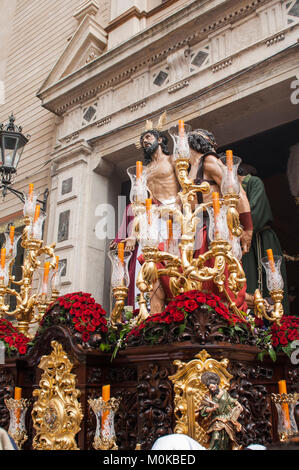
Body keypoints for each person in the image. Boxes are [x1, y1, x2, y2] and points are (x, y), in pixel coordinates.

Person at [111, 126, 180, 313]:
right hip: (153, 216)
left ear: (160, 140)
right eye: (142, 140)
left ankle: (174, 304)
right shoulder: (146, 171)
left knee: (172, 260)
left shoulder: (173, 160)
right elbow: (140, 203)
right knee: (148, 260)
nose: (144, 141)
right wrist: (133, 234)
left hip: (174, 215)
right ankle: (147, 308)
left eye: (148, 137)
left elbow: (184, 188)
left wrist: (179, 210)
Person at [187, 130, 253, 311]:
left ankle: (227, 320)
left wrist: (248, 228)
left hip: (215, 227)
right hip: (196, 227)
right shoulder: (191, 167)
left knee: (220, 280)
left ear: (192, 142)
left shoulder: (209, 162)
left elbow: (238, 193)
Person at [238, 163, 289, 315]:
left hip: (260, 240)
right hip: (242, 245)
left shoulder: (253, 182)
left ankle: (276, 325)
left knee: (269, 285)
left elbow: (256, 215)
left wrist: (234, 228)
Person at [197, 372, 243, 450]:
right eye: (210, 388)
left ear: (217, 385)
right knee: (216, 437)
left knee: (225, 437)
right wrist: (212, 409)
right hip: (216, 419)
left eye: (213, 387)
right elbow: (203, 409)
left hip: (227, 417)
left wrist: (237, 403)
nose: (212, 389)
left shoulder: (224, 392)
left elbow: (230, 400)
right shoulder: (208, 395)